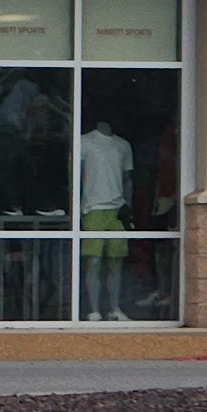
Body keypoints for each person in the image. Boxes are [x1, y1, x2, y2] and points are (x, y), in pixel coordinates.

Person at [79, 119, 134, 320]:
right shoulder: (84, 141)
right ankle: (94, 310)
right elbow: (76, 174)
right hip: (93, 208)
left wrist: (129, 206)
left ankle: (115, 309)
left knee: (115, 262)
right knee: (93, 261)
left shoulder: (123, 145)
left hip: (117, 210)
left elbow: (128, 179)